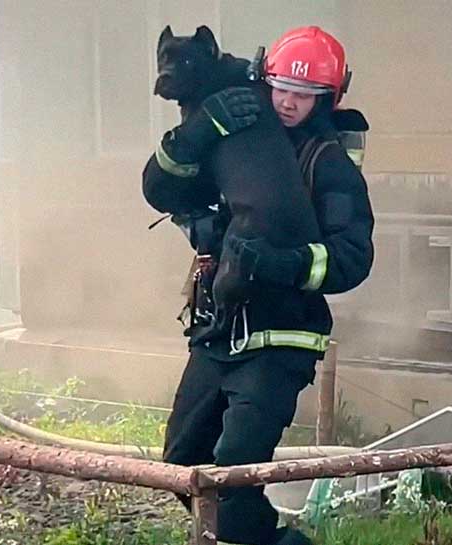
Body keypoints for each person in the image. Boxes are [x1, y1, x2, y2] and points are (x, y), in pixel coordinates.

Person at [141, 26, 374, 545]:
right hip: (218, 331)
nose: (288, 103)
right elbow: (162, 189)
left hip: (281, 340)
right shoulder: (235, 129)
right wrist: (199, 132)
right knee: (184, 464)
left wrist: (282, 263)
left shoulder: (330, 166)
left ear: (328, 98)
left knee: (233, 474)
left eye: (305, 94)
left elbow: (352, 260)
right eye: (281, 89)